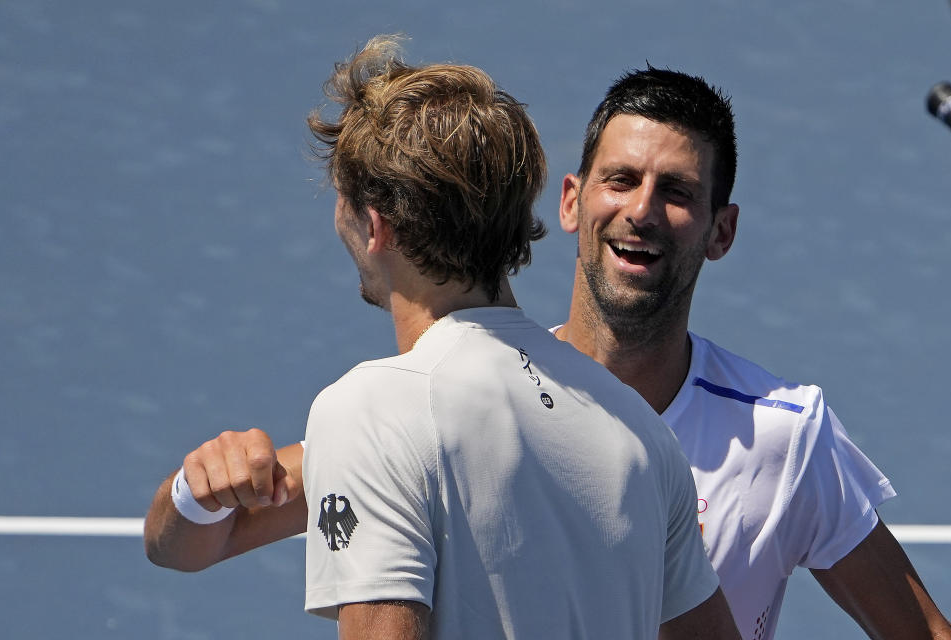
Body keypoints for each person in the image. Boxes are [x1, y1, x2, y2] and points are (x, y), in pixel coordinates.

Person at [144, 36, 741, 640]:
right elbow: (176, 544)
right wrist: (197, 490)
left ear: (375, 225)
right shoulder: (641, 434)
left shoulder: (375, 411)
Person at [552, 66, 951, 640]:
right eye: (620, 179)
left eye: (677, 191)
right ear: (572, 202)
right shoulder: (484, 410)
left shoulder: (785, 438)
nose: (641, 211)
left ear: (722, 231)